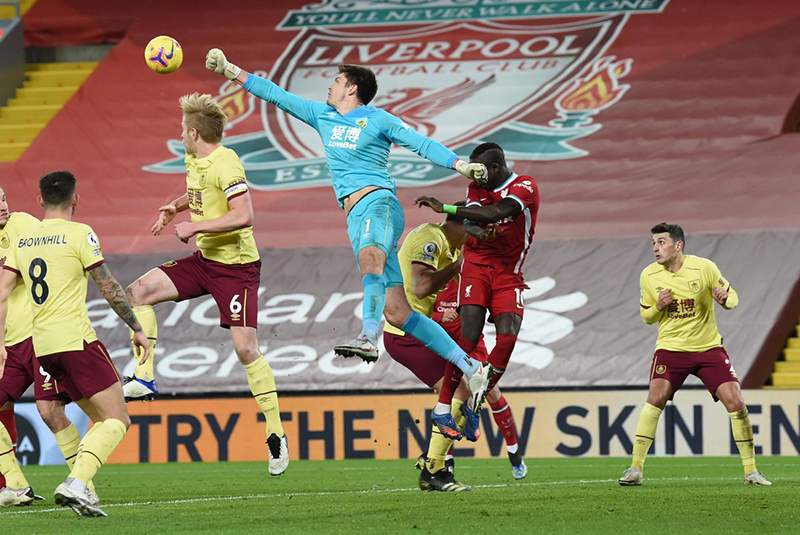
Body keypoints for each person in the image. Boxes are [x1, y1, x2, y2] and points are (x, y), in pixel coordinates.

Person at [205, 51, 492, 424]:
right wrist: (230, 69)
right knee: (398, 311)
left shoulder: (378, 119)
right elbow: (274, 94)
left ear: (352, 89)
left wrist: (459, 164)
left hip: (379, 203)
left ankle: (368, 336)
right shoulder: (322, 115)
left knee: (370, 259)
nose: (330, 84)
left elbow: (421, 144)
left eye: (337, 81)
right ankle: (470, 367)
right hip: (355, 215)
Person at [121, 93, 289, 475]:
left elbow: (244, 214)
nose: (180, 133)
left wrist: (194, 225)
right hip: (204, 261)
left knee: (245, 350)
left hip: (236, 268)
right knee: (137, 293)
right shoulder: (194, 160)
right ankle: (144, 378)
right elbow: (200, 194)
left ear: (194, 132)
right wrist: (176, 207)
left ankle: (276, 434)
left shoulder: (226, 163)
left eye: (183, 129)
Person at [0, 171, 150, 517]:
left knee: (59, 411)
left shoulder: (24, 239)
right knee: (117, 420)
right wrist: (136, 326)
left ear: (39, 202)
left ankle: (81, 488)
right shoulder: (80, 233)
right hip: (76, 340)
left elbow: (3, 292)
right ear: (76, 199)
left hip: (43, 345)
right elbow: (108, 285)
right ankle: (77, 482)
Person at [618, 223, 770, 486]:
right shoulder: (649, 275)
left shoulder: (704, 267)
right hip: (671, 349)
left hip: (708, 348)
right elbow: (646, 317)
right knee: (655, 399)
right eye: (654, 242)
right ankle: (635, 469)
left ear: (678, 245)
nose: (655, 247)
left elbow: (733, 299)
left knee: (735, 402)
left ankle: (751, 471)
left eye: (661, 242)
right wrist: (658, 306)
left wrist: (724, 299)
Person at [414, 142, 540, 425]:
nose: (475, 178)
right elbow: (471, 224)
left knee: (508, 336)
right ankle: (443, 407)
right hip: (477, 265)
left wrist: (443, 207)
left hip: (509, 271)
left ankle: (483, 386)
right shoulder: (475, 188)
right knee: (469, 336)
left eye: (480, 171)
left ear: (495, 168)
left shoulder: (525, 186)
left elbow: (495, 213)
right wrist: (480, 236)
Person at [0, 186, 102, 507]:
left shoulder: (23, 225)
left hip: (38, 335)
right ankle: (15, 486)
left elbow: (42, 264)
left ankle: (83, 484)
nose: (3, 206)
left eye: (3, 198)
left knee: (50, 411)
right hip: (10, 343)